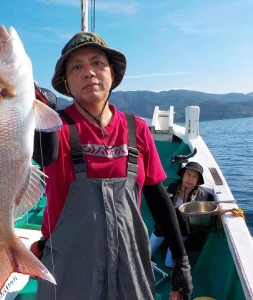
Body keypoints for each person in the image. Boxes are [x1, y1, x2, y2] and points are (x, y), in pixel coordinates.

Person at [31, 31, 193, 299]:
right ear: (66, 83)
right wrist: (42, 114)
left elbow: (157, 196)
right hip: (68, 265)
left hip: (130, 261)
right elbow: (42, 154)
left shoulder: (137, 129)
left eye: (97, 63)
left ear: (112, 75)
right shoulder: (55, 127)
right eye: (77, 67)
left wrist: (181, 261)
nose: (89, 72)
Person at [150, 161, 208, 268]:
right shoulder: (170, 188)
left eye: (194, 177)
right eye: (188, 174)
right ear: (182, 175)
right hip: (165, 224)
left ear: (198, 181)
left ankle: (170, 259)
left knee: (180, 229)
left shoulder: (201, 195)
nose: (190, 179)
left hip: (184, 226)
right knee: (161, 226)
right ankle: (147, 254)